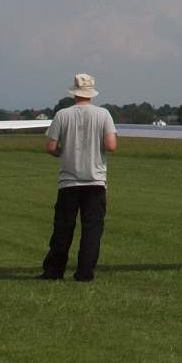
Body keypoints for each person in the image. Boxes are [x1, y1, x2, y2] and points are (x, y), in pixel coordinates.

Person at [39, 73, 118, 281]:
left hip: (69, 181)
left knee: (63, 228)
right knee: (92, 229)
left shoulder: (62, 115)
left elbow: (50, 147)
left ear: (74, 92)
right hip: (95, 181)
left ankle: (54, 270)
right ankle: (84, 272)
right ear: (91, 93)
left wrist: (63, 152)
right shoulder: (104, 115)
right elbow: (111, 146)